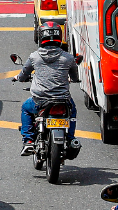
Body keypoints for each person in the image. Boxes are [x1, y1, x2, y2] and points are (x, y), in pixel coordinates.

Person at [14, 21, 81, 156]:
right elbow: (75, 77)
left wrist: (18, 78)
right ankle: (70, 138)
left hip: (40, 100)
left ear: (41, 37)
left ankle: (28, 140)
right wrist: (71, 79)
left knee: (26, 108)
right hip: (63, 100)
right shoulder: (68, 58)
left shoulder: (34, 56)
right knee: (72, 111)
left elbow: (24, 74)